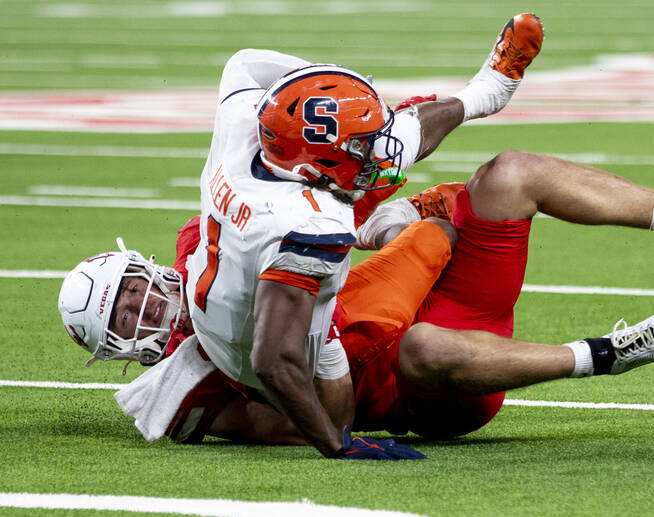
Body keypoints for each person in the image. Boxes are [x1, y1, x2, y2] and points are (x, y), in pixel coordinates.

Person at [108, 14, 545, 459]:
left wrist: (317, 90)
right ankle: (393, 218)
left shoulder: (205, 232)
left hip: (315, 265)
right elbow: (282, 411)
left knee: (398, 185)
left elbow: (246, 66)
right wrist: (336, 432)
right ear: (122, 351)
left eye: (132, 289)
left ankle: (476, 101)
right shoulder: (179, 389)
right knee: (417, 224)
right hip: (326, 330)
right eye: (123, 317)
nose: (143, 303)